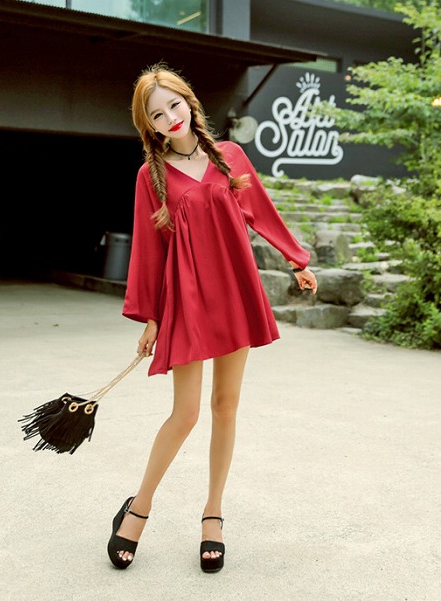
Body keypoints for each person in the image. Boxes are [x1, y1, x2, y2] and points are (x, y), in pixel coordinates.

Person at [107, 62, 317, 574]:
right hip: (188, 299)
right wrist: (151, 316)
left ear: (189, 102)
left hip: (234, 292)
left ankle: (213, 515)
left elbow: (261, 210)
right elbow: (149, 249)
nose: (170, 117)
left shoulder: (230, 157)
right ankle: (138, 508)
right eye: (157, 114)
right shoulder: (151, 176)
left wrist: (295, 259)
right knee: (185, 414)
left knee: (225, 407)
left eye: (174, 105)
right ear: (149, 126)